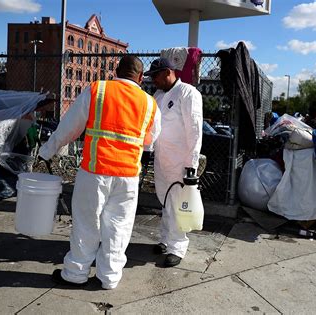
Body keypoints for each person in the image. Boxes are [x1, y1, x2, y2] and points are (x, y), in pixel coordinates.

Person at [38, 56, 161, 289]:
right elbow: (149, 141)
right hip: (127, 176)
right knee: (119, 226)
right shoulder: (150, 103)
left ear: (116, 71)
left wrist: (47, 150)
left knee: (86, 223)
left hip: (95, 171)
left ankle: (75, 273)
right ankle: (110, 277)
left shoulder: (98, 90)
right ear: (141, 78)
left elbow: (70, 127)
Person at [144, 57, 203, 267]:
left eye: (156, 76)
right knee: (166, 201)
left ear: (168, 72)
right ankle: (166, 239)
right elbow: (151, 127)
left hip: (180, 161)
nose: (153, 81)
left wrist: (191, 164)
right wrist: (146, 151)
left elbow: (194, 132)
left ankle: (177, 247)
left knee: (178, 203)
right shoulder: (157, 96)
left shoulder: (188, 93)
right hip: (162, 159)